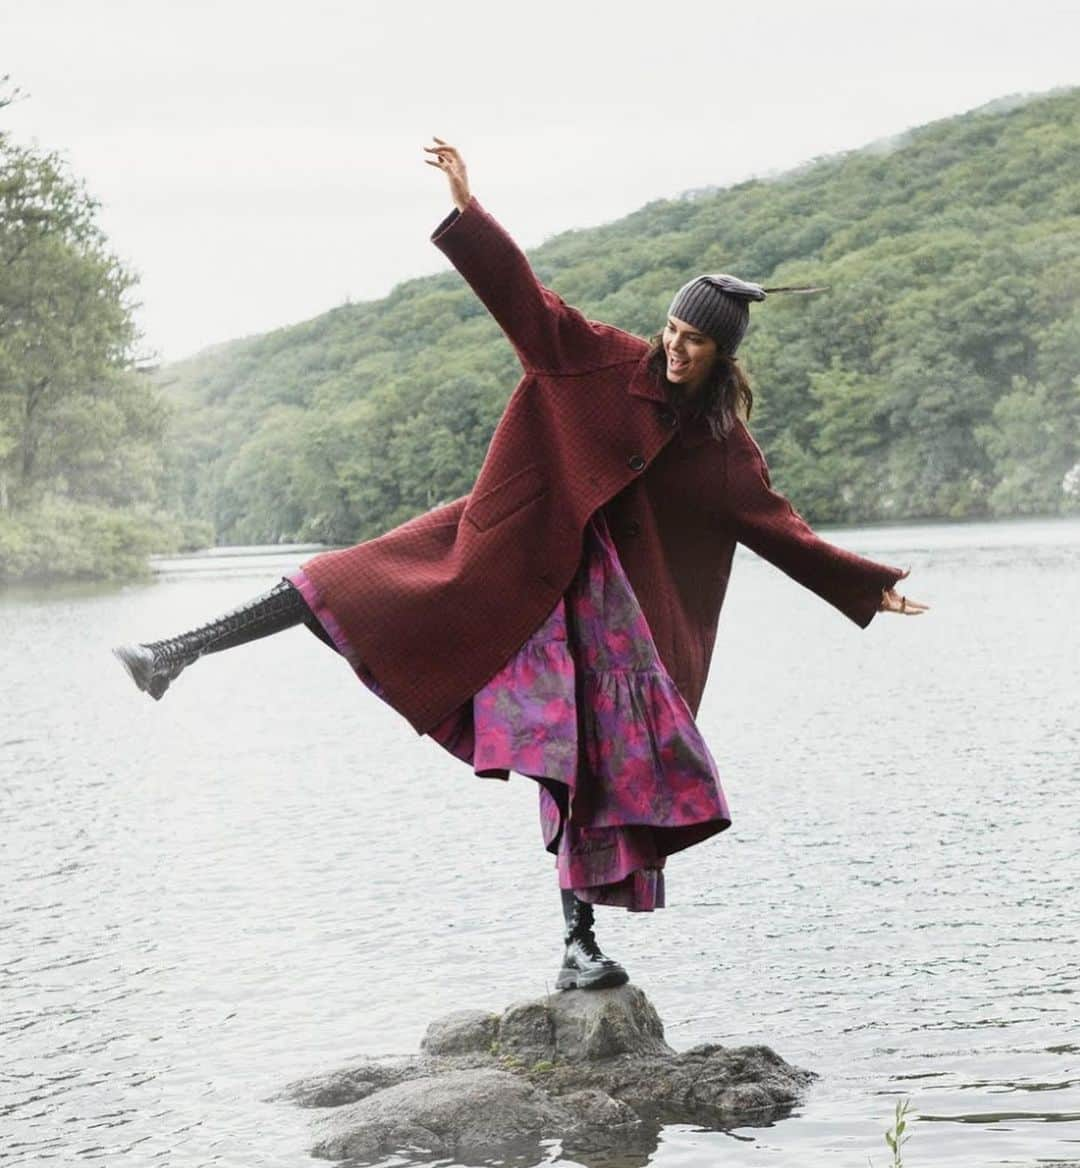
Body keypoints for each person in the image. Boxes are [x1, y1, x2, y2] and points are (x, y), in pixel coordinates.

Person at [114, 140, 928, 992]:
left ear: (725, 357)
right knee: (345, 581)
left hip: (605, 616)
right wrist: (471, 214)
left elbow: (775, 524)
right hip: (505, 551)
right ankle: (173, 654)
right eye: (673, 331)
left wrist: (868, 584)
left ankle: (578, 948)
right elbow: (525, 303)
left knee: (578, 759)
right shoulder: (601, 359)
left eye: (695, 344)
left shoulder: (719, 445)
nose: (676, 350)